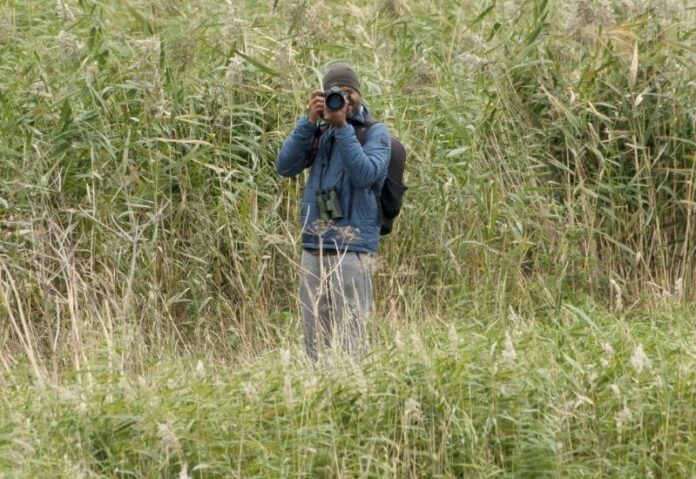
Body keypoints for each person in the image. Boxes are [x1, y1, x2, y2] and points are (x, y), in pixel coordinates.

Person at [276, 62, 391, 361]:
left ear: (359, 95)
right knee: (315, 343)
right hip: (314, 248)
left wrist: (342, 128)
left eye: (349, 92)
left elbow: (365, 174)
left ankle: (356, 395)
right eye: (336, 93)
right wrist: (308, 121)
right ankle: (320, 398)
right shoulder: (320, 131)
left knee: (353, 340)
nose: (343, 100)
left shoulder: (375, 133)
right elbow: (285, 166)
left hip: (353, 250)